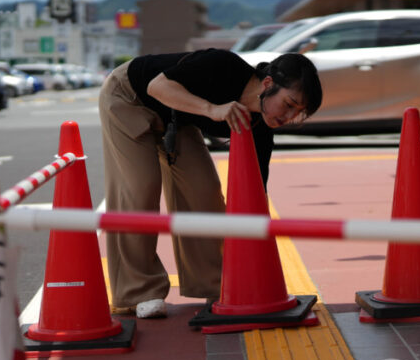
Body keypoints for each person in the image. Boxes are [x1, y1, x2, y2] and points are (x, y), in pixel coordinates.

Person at [98, 48, 322, 318]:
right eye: (288, 104)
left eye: (298, 113)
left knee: (204, 192)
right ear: (268, 84)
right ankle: (137, 292)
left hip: (177, 118)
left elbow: (254, 194)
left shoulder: (260, 126)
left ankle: (213, 282)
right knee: (139, 190)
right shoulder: (222, 64)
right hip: (129, 97)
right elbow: (157, 86)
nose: (288, 118)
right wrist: (212, 109)